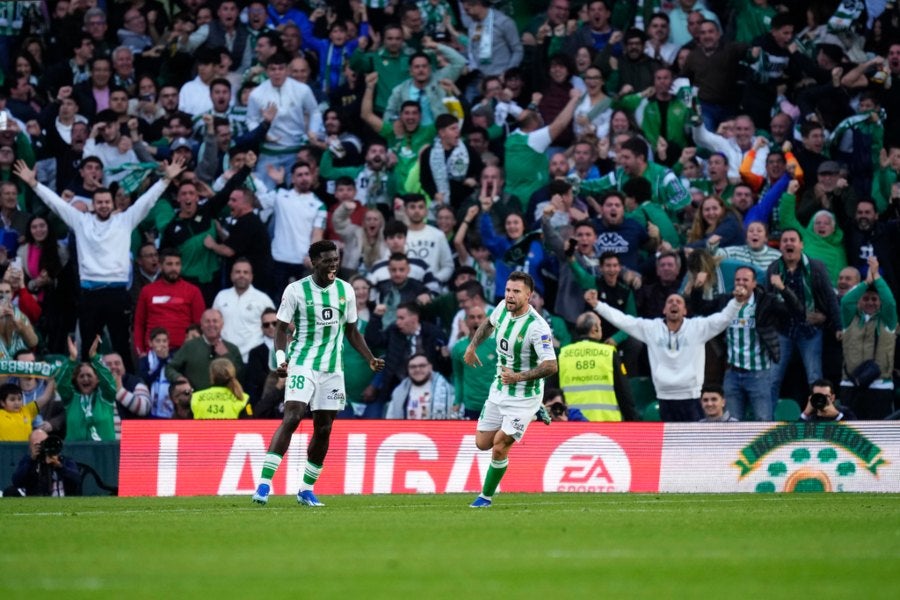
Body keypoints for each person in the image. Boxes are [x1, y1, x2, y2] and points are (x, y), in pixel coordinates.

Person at [13, 157, 187, 372]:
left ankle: (127, 389)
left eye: (107, 201)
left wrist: (166, 180)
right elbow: (56, 204)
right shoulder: (81, 221)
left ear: (112, 203)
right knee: (87, 348)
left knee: (122, 345)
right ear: (93, 205)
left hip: (117, 293)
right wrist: (34, 184)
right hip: (90, 294)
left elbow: (147, 201)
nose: (104, 205)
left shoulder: (126, 220)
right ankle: (86, 391)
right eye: (99, 202)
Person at [252, 240, 385, 507]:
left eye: (335, 259)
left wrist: (369, 358)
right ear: (314, 262)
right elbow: (280, 330)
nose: (333, 264)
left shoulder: (345, 290)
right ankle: (264, 485)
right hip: (302, 362)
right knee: (293, 416)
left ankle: (306, 489)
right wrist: (282, 358)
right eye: (327, 260)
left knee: (324, 428)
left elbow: (351, 331)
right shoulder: (296, 290)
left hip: (333, 369)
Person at [464, 271, 558, 507]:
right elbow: (488, 324)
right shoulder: (502, 308)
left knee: (499, 446)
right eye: (508, 290)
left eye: (516, 291)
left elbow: (551, 365)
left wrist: (518, 377)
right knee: (482, 443)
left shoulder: (538, 327)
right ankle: (538, 410)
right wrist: (472, 346)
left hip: (524, 396)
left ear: (529, 295)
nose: (510, 296)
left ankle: (484, 497)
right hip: (500, 388)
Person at [585, 286, 747, 422]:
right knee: (671, 447)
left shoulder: (698, 327)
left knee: (693, 445)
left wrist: (737, 302)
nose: (674, 304)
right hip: (664, 397)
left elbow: (723, 319)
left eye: (678, 302)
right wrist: (597, 305)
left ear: (684, 310)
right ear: (664, 309)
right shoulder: (651, 329)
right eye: (670, 302)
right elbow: (623, 320)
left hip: (691, 396)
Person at [689, 266, 796, 421]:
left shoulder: (766, 301)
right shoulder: (726, 301)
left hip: (759, 373)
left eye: (745, 280)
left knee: (763, 421)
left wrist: (783, 289)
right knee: (731, 423)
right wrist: (698, 287)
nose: (741, 283)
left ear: (754, 283)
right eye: (738, 280)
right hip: (732, 373)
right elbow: (700, 307)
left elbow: (795, 312)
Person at [839, 256, 897, 420]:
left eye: (874, 299)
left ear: (880, 302)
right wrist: (865, 283)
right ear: (859, 301)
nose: (870, 302)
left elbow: (890, 302)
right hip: (851, 384)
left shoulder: (887, 320)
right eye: (865, 298)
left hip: (880, 385)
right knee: (850, 437)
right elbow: (845, 302)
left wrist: (877, 276)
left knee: (878, 437)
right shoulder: (850, 318)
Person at [557, 311, 637, 422]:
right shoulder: (608, 353)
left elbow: (551, 392)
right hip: (606, 424)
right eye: (600, 325)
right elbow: (623, 393)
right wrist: (633, 421)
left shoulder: (563, 354)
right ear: (595, 328)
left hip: (572, 424)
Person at [133, 248, 205, 356]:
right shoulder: (147, 291)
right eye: (169, 264)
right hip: (153, 352)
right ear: (161, 266)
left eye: (177, 264)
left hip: (184, 352)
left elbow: (199, 325)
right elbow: (139, 324)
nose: (174, 268)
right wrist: (141, 351)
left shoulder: (193, 291)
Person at [212, 259, 276, 362]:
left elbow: (274, 328)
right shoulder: (221, 296)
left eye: (245, 272)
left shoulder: (263, 299)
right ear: (231, 275)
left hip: (253, 358)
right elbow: (213, 325)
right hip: (225, 356)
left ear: (251, 276)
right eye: (238, 272)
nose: (241, 275)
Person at [451, 303, 496, 420]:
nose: (476, 321)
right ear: (466, 321)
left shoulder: (497, 345)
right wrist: (457, 401)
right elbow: (458, 376)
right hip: (471, 407)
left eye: (480, 317)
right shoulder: (459, 347)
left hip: (495, 406)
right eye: (472, 317)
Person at [4, 430, 81, 497]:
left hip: (62, 502)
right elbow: (16, 481)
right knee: (9, 491)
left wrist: (59, 466)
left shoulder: (63, 460)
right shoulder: (28, 461)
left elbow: (76, 479)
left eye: (44, 443)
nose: (42, 447)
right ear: (31, 447)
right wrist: (32, 460)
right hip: (34, 502)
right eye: (37, 445)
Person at [385, 354, 456, 419]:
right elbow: (390, 418)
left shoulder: (447, 391)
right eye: (413, 367)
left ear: (430, 367)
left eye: (422, 366)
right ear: (408, 369)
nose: (417, 369)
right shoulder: (399, 392)